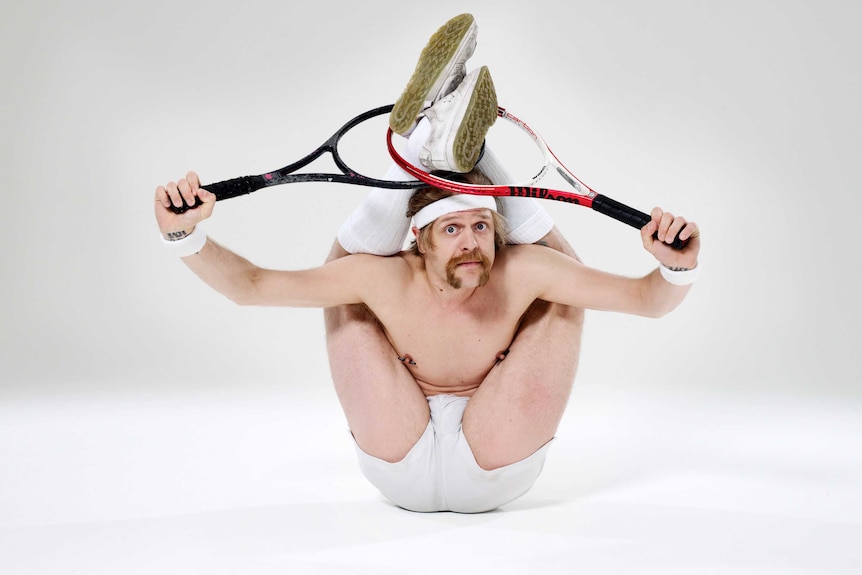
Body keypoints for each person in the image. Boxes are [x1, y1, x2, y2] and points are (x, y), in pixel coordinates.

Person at [154, 14, 700, 513]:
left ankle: (438, 147)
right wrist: (182, 236)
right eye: (452, 229)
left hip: (497, 466)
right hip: (397, 462)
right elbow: (251, 286)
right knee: (351, 296)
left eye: (483, 227)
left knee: (562, 298)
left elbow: (647, 301)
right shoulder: (385, 277)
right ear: (419, 239)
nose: (471, 242)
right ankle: (436, 150)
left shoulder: (522, 272)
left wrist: (677, 267)